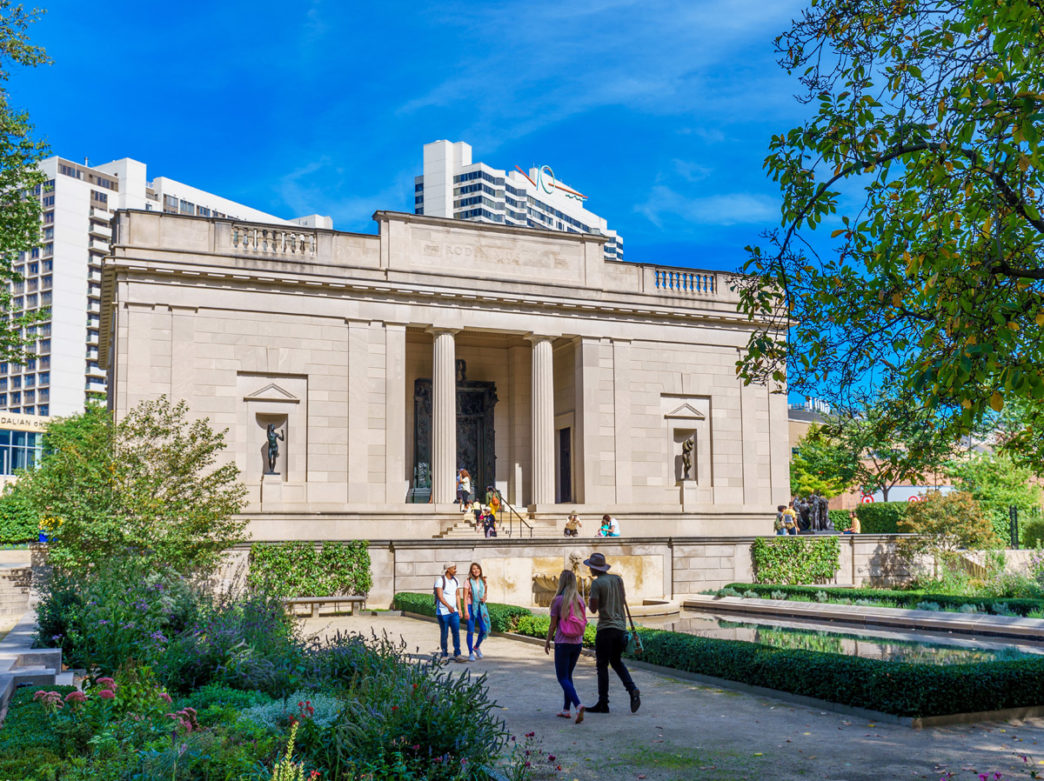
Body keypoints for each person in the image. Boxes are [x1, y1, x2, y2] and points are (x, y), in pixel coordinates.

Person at [584, 552, 639, 714]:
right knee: (616, 661)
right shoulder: (617, 579)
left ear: (594, 568)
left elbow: (593, 609)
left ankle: (603, 703)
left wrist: (590, 598)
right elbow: (622, 599)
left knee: (602, 665)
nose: (589, 569)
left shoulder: (597, 583)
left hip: (606, 628)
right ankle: (632, 689)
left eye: (590, 567)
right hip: (620, 628)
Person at [544, 569, 588, 723]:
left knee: (562, 677)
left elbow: (552, 625)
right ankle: (566, 709)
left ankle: (578, 705)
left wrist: (547, 641)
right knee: (568, 676)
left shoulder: (558, 600)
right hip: (577, 643)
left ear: (561, 582)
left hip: (563, 643)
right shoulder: (580, 600)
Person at [434, 563, 464, 662]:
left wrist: (459, 609)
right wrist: (448, 606)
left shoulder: (456, 580)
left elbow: (457, 595)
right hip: (443, 612)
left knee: (456, 633)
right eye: (454, 569)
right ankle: (444, 654)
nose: (456, 570)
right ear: (448, 569)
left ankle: (458, 654)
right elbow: (440, 596)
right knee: (444, 634)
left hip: (454, 612)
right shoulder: (440, 581)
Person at [464, 562, 490, 662]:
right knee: (471, 630)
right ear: (471, 571)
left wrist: (485, 597)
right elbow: (465, 597)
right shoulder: (468, 581)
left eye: (477, 568)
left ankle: (476, 647)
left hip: (481, 607)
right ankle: (470, 653)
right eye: (474, 569)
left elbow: (486, 592)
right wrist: (466, 611)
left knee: (484, 629)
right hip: (471, 606)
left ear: (480, 570)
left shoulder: (483, 580)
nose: (476, 570)